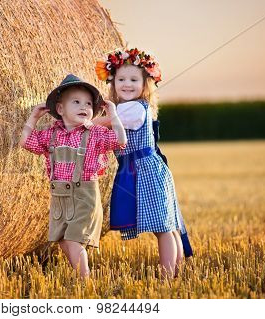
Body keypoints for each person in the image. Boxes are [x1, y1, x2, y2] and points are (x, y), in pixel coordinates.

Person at [94, 48, 193, 277]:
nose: (126, 84)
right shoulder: (127, 107)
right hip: (144, 169)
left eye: (133, 80)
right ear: (113, 82)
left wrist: (80, 121)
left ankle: (169, 275)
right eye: (121, 79)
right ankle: (176, 272)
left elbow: (105, 122)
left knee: (163, 228)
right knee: (167, 226)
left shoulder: (133, 108)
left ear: (145, 84)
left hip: (146, 170)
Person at [19, 74, 126, 277]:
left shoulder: (95, 133)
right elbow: (25, 142)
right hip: (60, 197)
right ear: (60, 109)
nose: (83, 106)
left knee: (74, 241)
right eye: (76, 102)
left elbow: (120, 140)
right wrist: (33, 117)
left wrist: (113, 115)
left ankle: (84, 282)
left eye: (88, 103)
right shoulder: (51, 134)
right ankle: (81, 274)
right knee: (61, 239)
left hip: (85, 196)